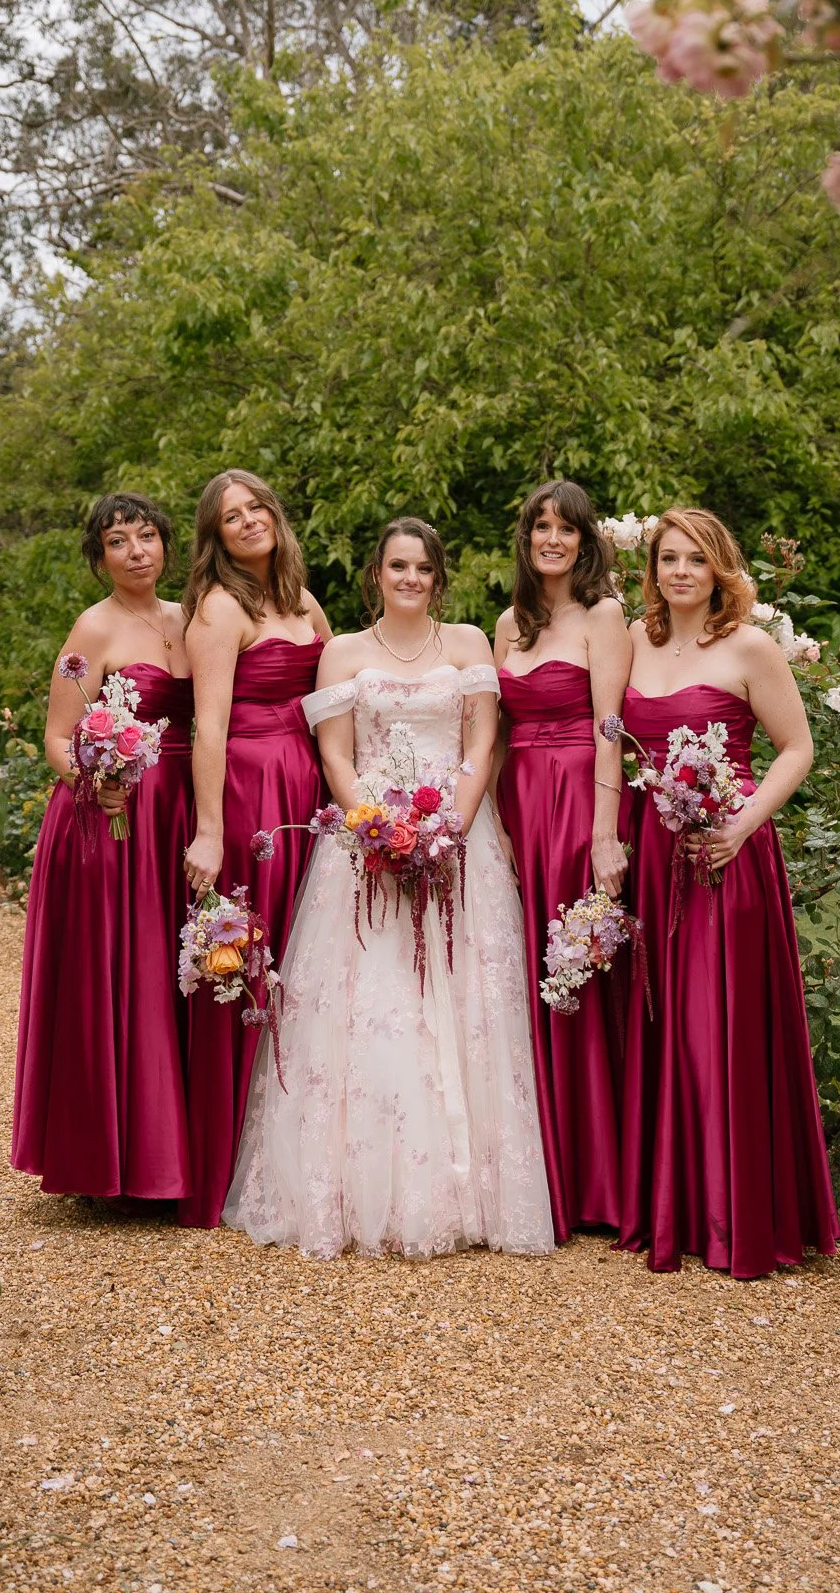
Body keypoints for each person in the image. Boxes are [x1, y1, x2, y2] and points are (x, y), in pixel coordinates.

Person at [225, 517, 554, 1259]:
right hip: (364, 846)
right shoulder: (343, 651)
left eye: (423, 569)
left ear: (439, 579)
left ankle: (467, 1191)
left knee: (464, 1006)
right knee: (363, 1009)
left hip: (457, 843)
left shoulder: (468, 644)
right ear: (375, 573)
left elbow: (481, 742)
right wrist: (375, 829)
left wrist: (452, 830)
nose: (410, 579)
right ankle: (352, 1189)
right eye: (397, 566)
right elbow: (335, 756)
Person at [617, 506, 840, 1277]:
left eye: (694, 560)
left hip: (723, 851)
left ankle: (732, 1215)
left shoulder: (748, 646)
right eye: (667, 560)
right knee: (663, 1021)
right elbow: (611, 743)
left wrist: (741, 824)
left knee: (718, 1025)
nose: (679, 572)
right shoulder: (633, 645)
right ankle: (667, 1204)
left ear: (718, 570)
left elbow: (796, 748)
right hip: (652, 850)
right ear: (651, 571)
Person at [12, 492, 193, 1199]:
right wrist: (96, 780)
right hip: (110, 817)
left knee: (171, 968)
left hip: (178, 811)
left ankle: (173, 1153)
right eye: (119, 542)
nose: (137, 551)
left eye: (147, 536)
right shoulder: (90, 629)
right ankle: (109, 1161)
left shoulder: (188, 618)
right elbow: (57, 735)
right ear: (99, 559)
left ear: (166, 546)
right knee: (116, 973)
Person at [178, 470, 330, 1228]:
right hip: (249, 792)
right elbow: (208, 726)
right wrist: (209, 830)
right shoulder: (218, 607)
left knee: (307, 960)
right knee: (248, 961)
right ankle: (223, 1160)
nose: (246, 522)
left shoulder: (303, 603)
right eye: (229, 517)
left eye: (256, 508)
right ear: (215, 536)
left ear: (276, 513)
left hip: (308, 789)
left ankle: (293, 1149)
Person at [493, 480, 632, 1241]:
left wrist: (605, 834)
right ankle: (540, 1169)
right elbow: (493, 731)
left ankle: (598, 1182)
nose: (551, 539)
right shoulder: (508, 623)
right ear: (526, 538)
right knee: (523, 973)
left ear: (584, 540)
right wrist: (499, 830)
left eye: (565, 528)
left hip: (580, 798)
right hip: (519, 807)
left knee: (575, 966)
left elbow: (611, 725)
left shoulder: (604, 615)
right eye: (540, 526)